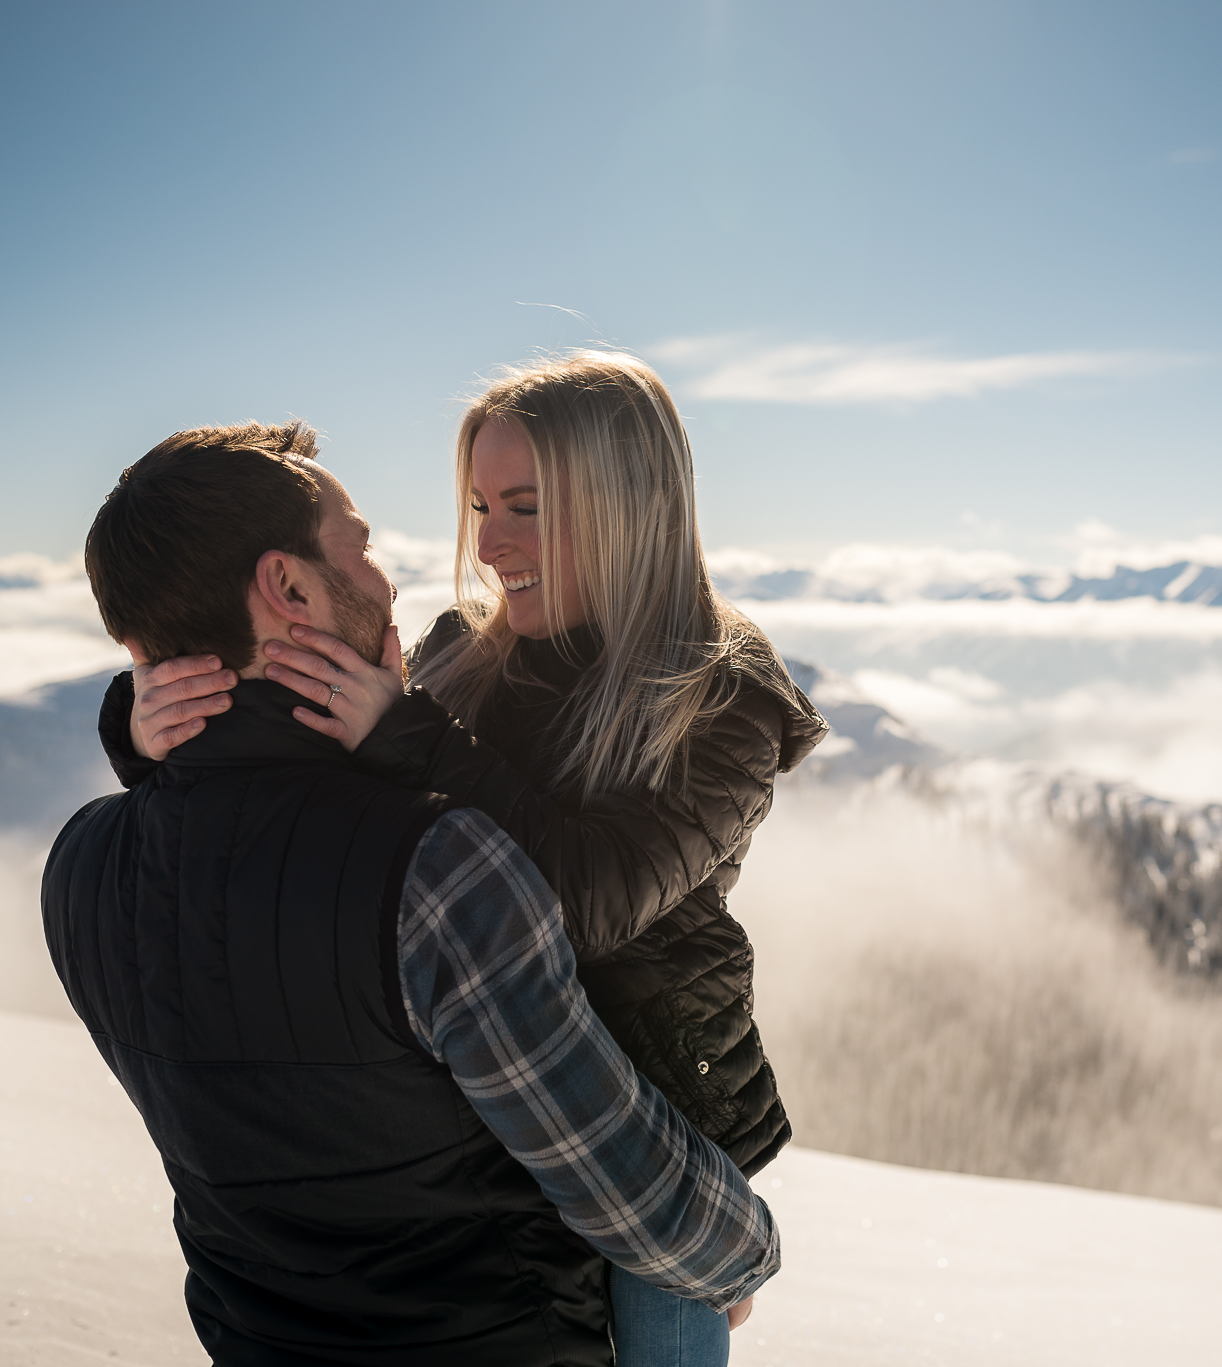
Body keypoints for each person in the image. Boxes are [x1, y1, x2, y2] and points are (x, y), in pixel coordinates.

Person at [101, 353, 826, 1365]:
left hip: (646, 1117)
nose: (488, 543)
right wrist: (146, 726)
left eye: (525, 505)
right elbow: (314, 774)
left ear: (626, 507)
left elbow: (585, 901)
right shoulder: (459, 652)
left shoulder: (720, 702)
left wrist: (414, 739)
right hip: (486, 1098)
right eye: (481, 503)